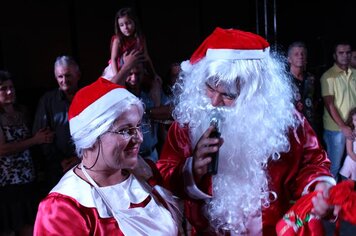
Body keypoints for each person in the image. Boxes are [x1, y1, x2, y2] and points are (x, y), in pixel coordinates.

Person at [156, 27, 336, 235]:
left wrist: (320, 186)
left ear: (255, 94)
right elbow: (165, 173)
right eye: (210, 88)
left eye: (229, 95)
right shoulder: (189, 121)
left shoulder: (284, 121)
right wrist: (192, 169)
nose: (215, 102)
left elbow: (311, 163)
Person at [34, 77, 179, 235]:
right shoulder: (63, 210)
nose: (139, 138)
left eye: (138, 126)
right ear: (91, 137)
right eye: (125, 130)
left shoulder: (146, 172)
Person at [0, 70, 53, 236]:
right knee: (9, 229)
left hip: (28, 179)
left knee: (31, 227)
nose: (9, 92)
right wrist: (35, 140)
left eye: (11, 87)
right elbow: (2, 149)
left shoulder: (22, 112)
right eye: (3, 88)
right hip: (7, 184)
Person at [32, 55, 81, 194]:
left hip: (88, 164)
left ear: (78, 75)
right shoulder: (47, 101)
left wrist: (81, 158)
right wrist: (60, 161)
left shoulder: (88, 96)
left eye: (68, 75)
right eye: (60, 77)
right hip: (58, 170)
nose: (64, 80)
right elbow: (42, 136)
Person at [110, 62, 171, 163]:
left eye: (137, 74)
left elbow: (170, 111)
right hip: (132, 157)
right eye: (129, 74)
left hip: (153, 154)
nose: (134, 78)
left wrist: (144, 112)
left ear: (143, 73)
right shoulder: (120, 97)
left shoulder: (151, 92)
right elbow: (108, 89)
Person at [320, 41, 356, 182]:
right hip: (335, 130)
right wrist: (343, 127)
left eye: (348, 52)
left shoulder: (354, 73)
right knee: (334, 167)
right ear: (335, 56)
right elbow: (329, 104)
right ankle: (331, 201)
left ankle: (348, 201)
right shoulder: (328, 76)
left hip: (354, 128)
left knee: (351, 166)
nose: (345, 56)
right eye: (341, 53)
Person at [102, 7, 160, 83]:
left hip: (135, 68)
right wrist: (117, 76)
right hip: (117, 68)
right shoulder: (118, 40)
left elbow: (146, 57)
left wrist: (154, 74)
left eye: (128, 23)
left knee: (151, 82)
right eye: (121, 25)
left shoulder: (140, 38)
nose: (125, 27)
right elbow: (114, 59)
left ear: (134, 22)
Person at [287, 41, 322, 139]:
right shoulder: (283, 80)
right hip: (292, 127)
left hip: (311, 127)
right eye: (296, 54)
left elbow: (317, 102)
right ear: (289, 59)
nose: (300, 56)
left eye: (303, 54)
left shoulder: (312, 79)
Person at [339, 107, 356, 180]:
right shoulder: (351, 133)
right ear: (352, 121)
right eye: (355, 120)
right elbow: (349, 151)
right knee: (348, 188)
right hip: (351, 164)